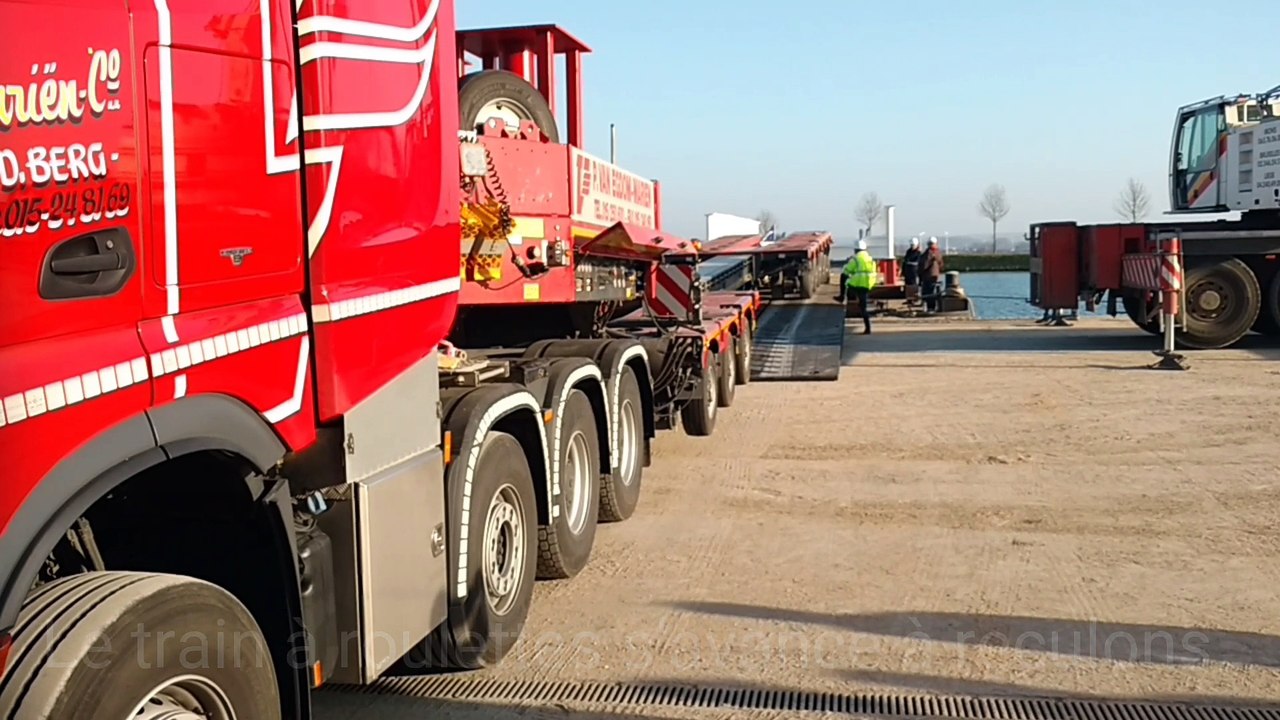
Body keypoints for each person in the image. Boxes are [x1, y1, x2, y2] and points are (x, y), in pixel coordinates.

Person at [842, 240, 878, 334]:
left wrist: (847, 271)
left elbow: (847, 271)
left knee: (846, 282)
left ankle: (842, 296)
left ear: (856, 249)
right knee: (863, 307)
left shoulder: (856, 259)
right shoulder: (870, 258)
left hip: (857, 284)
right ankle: (868, 327)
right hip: (867, 284)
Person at [920, 236, 944, 312]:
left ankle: (930, 307)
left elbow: (924, 265)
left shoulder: (929, 253)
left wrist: (920, 272)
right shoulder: (938, 253)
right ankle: (933, 307)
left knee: (928, 292)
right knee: (933, 292)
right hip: (935, 276)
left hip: (928, 276)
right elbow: (941, 264)